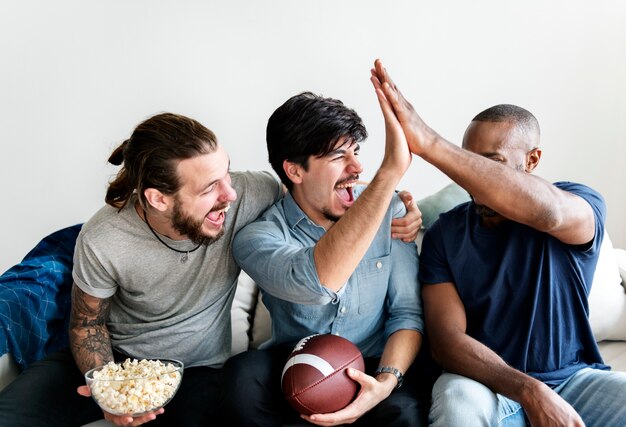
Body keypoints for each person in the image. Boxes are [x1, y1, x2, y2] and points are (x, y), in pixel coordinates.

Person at [0, 112, 420, 427]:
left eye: (226, 174)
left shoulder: (251, 193)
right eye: (209, 188)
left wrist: (394, 204)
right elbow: (87, 324)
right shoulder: (105, 238)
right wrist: (112, 390)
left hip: (198, 371)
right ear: (158, 199)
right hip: (121, 362)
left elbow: (314, 198)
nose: (230, 194)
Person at [371, 59, 626, 426]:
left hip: (574, 382)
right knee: (457, 399)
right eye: (468, 163)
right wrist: (530, 391)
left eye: (491, 164)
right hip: (485, 385)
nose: (476, 180)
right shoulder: (446, 233)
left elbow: (549, 213)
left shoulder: (579, 203)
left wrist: (429, 143)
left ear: (533, 159)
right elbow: (446, 342)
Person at [220, 91, 429, 427]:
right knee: (242, 379)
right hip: (299, 362)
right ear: (294, 170)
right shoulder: (257, 238)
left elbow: (407, 312)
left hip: (375, 359)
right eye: (338, 156)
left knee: (405, 412)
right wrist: (388, 172)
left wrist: (386, 382)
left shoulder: (391, 210)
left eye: (356, 151)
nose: (357, 167)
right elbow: (318, 283)